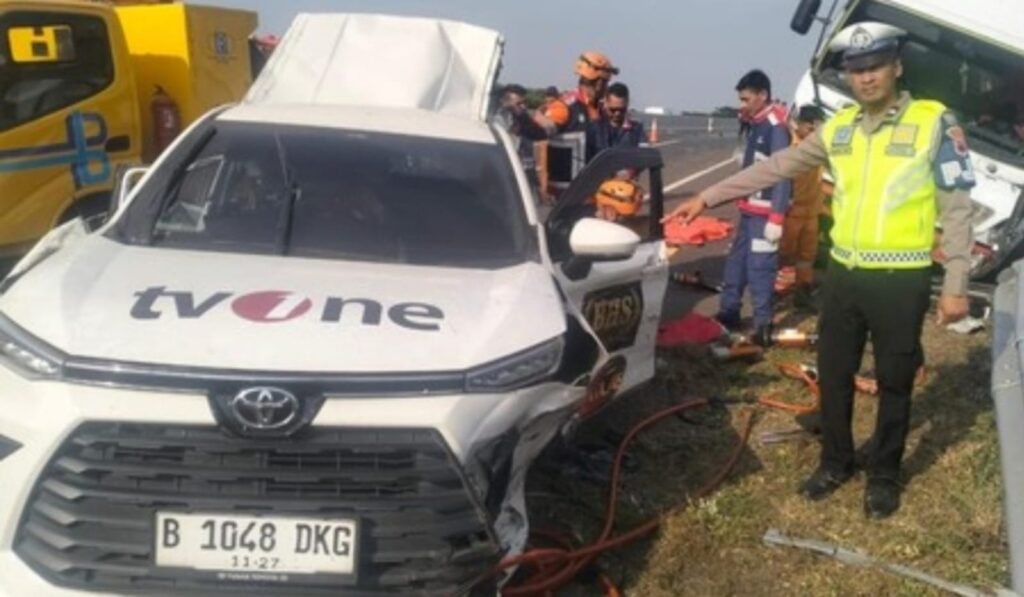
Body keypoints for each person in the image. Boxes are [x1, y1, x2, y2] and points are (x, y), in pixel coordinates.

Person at [663, 22, 974, 519]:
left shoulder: (934, 123)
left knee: (895, 380)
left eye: (875, 67)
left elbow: (958, 209)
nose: (866, 78)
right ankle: (836, 462)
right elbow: (776, 166)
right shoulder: (841, 128)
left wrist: (956, 284)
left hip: (902, 279)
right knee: (834, 373)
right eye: (856, 70)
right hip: (845, 277)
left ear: (896, 67)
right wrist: (708, 195)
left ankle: (885, 475)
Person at [715, 69, 792, 342]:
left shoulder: (775, 127)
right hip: (748, 211)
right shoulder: (756, 123)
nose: (742, 105)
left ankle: (762, 324)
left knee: (760, 268)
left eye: (746, 99)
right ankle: (729, 312)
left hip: (764, 214)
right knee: (735, 263)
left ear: (763, 95)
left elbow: (783, 172)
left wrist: (777, 217)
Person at [780, 104, 826, 309]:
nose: (813, 134)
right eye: (810, 129)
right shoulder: (788, 148)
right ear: (799, 126)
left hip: (811, 212)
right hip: (791, 213)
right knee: (781, 254)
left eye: (817, 129)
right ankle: (766, 293)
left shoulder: (819, 148)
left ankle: (803, 292)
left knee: (807, 256)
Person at [545, 51, 619, 134]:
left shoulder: (601, 111)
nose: (607, 87)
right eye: (606, 82)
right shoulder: (564, 108)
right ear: (599, 83)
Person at [586, 82, 647, 162]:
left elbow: (644, 157)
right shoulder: (594, 129)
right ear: (606, 103)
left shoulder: (637, 129)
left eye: (622, 110)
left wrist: (630, 171)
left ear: (628, 103)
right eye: (613, 110)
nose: (617, 114)